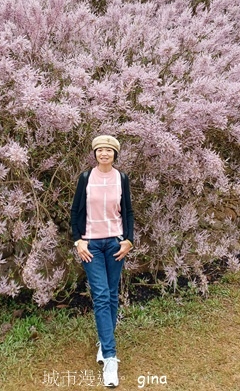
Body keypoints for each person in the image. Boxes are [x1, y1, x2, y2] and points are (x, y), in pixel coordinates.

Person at [70, 135, 134, 388]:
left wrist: (128, 240)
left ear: (115, 154)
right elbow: (76, 211)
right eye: (100, 150)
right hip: (92, 245)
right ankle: (110, 356)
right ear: (95, 154)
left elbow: (127, 210)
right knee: (101, 295)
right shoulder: (86, 178)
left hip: (115, 244)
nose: (104, 154)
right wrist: (78, 240)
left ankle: (104, 341)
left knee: (110, 293)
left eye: (109, 150)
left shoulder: (122, 178)